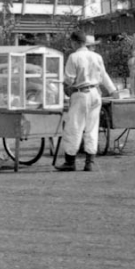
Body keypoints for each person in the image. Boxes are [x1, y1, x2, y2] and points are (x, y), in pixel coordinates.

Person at [56, 30, 119, 172]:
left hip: (81, 93)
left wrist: (63, 84)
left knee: (74, 127)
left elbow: (69, 79)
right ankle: (89, 161)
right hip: (96, 93)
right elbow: (104, 76)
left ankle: (70, 161)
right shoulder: (97, 57)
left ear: (76, 42)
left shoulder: (74, 57)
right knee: (92, 127)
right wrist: (113, 91)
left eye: (72, 42)